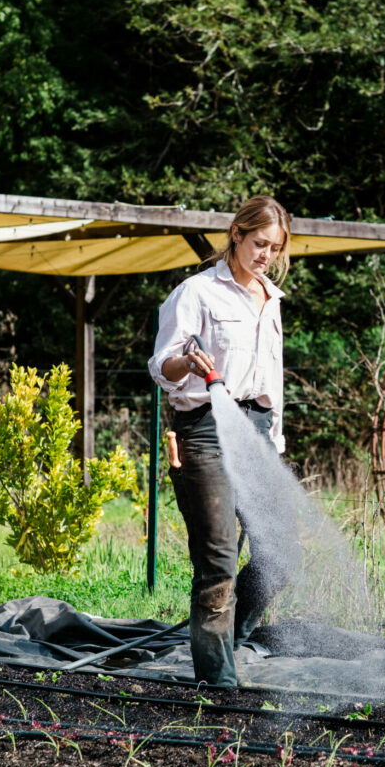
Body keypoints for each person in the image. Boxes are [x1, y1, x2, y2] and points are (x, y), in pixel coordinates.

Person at [148, 195, 292, 687]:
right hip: (206, 427)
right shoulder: (197, 292)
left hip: (255, 428)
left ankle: (229, 639)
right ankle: (217, 682)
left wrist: (274, 441)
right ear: (237, 235)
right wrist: (188, 362)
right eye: (258, 243)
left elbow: (272, 376)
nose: (265, 255)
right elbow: (161, 365)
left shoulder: (271, 299)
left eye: (274, 247)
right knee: (218, 561)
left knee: (279, 551)